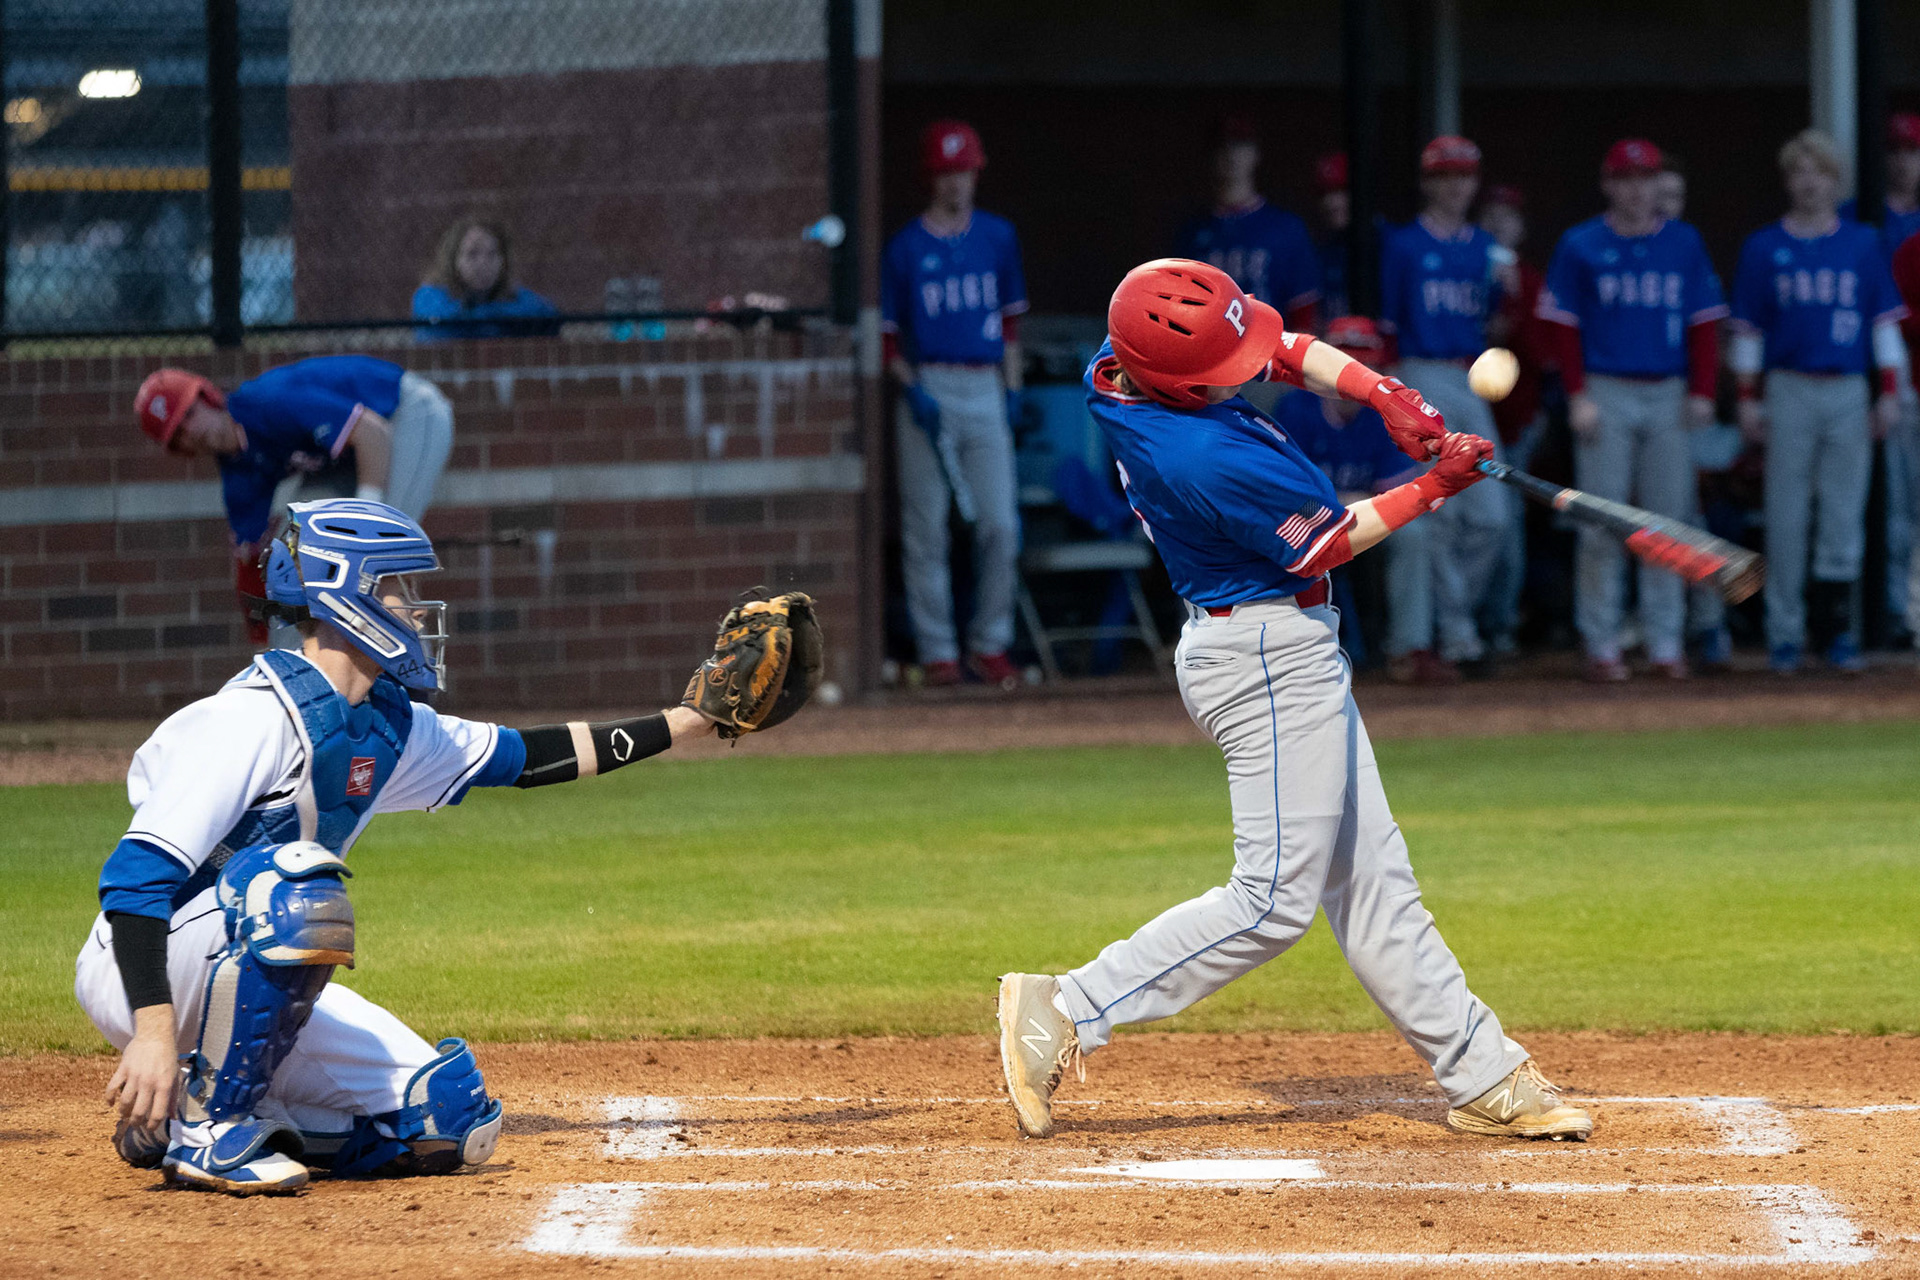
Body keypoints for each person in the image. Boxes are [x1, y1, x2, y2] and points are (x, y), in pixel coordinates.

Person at [995, 259, 1591, 1145]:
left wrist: (1384, 393)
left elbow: (1281, 349)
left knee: (1373, 880)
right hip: (1266, 657)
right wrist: (1435, 486)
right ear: (1179, 384)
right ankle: (1068, 1007)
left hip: (1270, 645)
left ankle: (1483, 1072)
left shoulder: (1121, 366)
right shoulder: (1203, 453)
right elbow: (1328, 546)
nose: (1249, 370)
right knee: (1273, 900)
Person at [72, 499, 813, 1193]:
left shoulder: (385, 725)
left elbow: (530, 757)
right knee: (300, 889)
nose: (413, 607)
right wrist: (151, 1032)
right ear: (342, 596)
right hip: (144, 968)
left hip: (236, 963)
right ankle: (211, 1131)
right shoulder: (247, 721)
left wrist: (689, 720)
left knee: (449, 1118)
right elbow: (135, 879)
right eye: (393, 587)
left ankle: (182, 1118)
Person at [1537, 138, 1727, 682]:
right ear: (1610, 185)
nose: (1638, 190)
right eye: (1627, 179)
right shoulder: (1581, 243)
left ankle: (1665, 641)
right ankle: (1602, 641)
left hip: (1667, 388)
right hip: (1604, 389)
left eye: (1646, 179)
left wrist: (1703, 391)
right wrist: (1577, 395)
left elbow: (1704, 324)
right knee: (1603, 521)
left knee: (1669, 523)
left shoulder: (1684, 242)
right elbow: (1564, 327)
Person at [1730, 130, 1909, 675]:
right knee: (1786, 514)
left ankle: (1837, 631)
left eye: (1820, 173)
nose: (1810, 183)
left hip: (1848, 388)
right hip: (1788, 386)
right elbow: (1748, 333)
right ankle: (1784, 633)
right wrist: (1746, 399)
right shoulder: (1764, 247)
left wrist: (1890, 395)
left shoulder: (1861, 243)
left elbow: (1883, 329)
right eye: (1800, 172)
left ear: (1836, 181)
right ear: (1788, 180)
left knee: (1841, 514)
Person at [135, 357, 457, 644]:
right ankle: (300, 684)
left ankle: (412, 687)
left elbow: (372, 434)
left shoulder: (267, 402)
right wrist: (264, 633)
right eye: (180, 432)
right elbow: (251, 561)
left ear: (208, 396)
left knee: (372, 553)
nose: (194, 430)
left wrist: (363, 520)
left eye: (191, 413)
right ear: (181, 449)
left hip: (404, 412)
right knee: (295, 552)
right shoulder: (237, 478)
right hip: (347, 456)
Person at [881, 119, 1028, 688]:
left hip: (985, 384)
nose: (956, 183)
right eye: (945, 173)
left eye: (963, 171)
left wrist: (1012, 392)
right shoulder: (906, 246)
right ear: (930, 177)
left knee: (999, 524)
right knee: (926, 529)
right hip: (927, 384)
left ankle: (989, 644)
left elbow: (1013, 325)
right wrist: (908, 385)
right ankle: (939, 652)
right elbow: (889, 338)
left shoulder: (997, 236)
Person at [1380, 135, 1517, 676]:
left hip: (1473, 374)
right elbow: (1388, 324)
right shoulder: (1404, 243)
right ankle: (1456, 637)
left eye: (1465, 175)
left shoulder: (1486, 246)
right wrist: (1394, 394)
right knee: (1436, 512)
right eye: (1446, 175)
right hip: (1419, 372)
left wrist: (1510, 294)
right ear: (1428, 181)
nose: (1456, 185)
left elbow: (1502, 329)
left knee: (1490, 518)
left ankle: (1455, 623)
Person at [1273, 315, 1443, 682]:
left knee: (1414, 535)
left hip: (1357, 507)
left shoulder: (1386, 416)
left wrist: (1341, 499)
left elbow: (1393, 493)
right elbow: (1284, 494)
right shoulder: (1294, 409)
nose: (1358, 367)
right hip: (1299, 512)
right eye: (1347, 358)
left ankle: (1408, 648)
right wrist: (1336, 499)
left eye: (1365, 359)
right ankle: (1283, 655)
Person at [1477, 184, 1551, 657]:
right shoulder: (1469, 273)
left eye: (1509, 220)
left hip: (1516, 423)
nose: (1501, 228)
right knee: (1477, 525)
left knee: (1507, 524)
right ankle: (1474, 625)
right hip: (1467, 425)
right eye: (1492, 221)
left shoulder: (1528, 280)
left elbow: (1538, 357)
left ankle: (1501, 623)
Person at [1175, 117, 1322, 334]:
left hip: (1271, 352)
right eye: (1223, 146)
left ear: (1256, 153)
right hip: (1208, 352)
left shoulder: (1286, 228)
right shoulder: (1192, 232)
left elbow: (1303, 312)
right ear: (1211, 156)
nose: (1232, 155)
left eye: (1241, 145)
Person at [411, 217, 560, 341]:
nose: (482, 263)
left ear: (503, 261)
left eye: (492, 254)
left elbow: (547, 315)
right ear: (453, 259)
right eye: (472, 254)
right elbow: (444, 322)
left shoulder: (514, 296)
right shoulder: (430, 295)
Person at [1313, 153, 1353, 320]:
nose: (1331, 203)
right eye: (1325, 194)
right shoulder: (1319, 252)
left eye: (1339, 191)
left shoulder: (1388, 246)